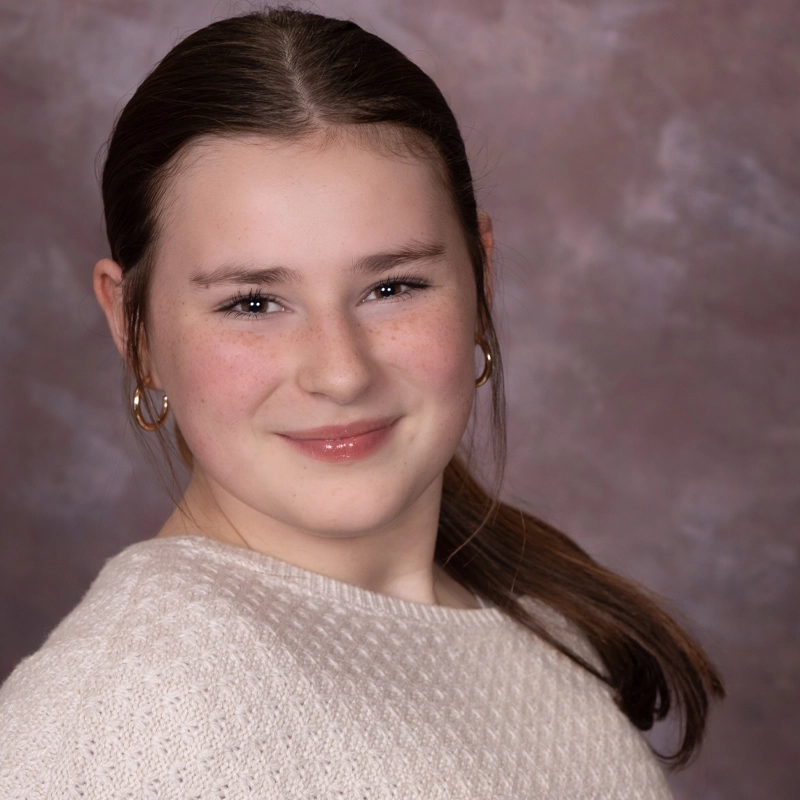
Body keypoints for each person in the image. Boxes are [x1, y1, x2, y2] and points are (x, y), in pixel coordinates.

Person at [0, 8, 723, 798]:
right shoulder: (106, 728)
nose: (341, 373)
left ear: (479, 280)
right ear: (133, 328)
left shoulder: (541, 624)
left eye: (392, 287)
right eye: (252, 303)